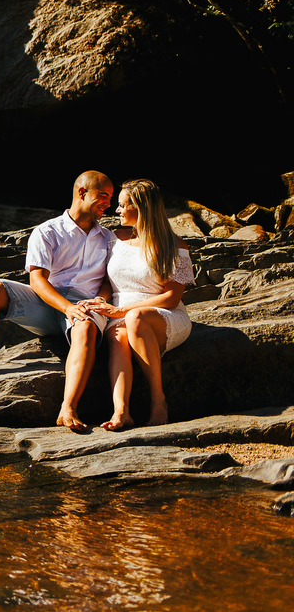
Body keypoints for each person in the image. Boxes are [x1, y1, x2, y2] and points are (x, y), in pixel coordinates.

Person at [0, 170, 115, 431]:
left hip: (87, 304)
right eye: (103, 196)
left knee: (84, 324)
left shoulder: (109, 238)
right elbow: (37, 281)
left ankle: (68, 407)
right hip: (49, 303)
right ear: (82, 193)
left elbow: (108, 280)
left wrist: (98, 301)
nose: (108, 203)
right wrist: (67, 307)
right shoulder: (48, 231)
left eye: (110, 198)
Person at [91, 179, 194, 430]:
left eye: (122, 205)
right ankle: (121, 411)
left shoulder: (175, 246)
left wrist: (123, 311)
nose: (117, 211)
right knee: (119, 333)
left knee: (134, 320)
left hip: (163, 316)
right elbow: (107, 282)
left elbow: (171, 297)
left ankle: (159, 401)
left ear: (141, 208)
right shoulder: (115, 239)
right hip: (120, 315)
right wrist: (101, 300)